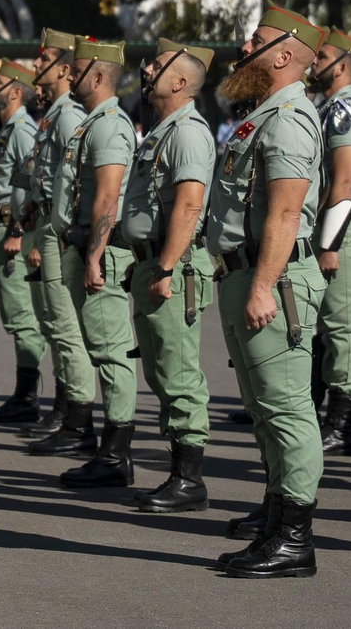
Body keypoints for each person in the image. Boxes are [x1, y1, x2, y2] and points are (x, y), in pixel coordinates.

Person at [207, 2, 326, 579]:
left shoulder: (289, 118)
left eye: (254, 40)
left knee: (287, 409)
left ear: (282, 55)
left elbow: (283, 216)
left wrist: (260, 286)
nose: (242, 49)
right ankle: (277, 516)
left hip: (272, 280)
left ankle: (295, 538)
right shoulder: (264, 114)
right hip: (246, 272)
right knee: (263, 411)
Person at [123, 40, 216, 513]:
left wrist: (164, 266)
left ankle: (189, 479)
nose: (146, 69)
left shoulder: (187, 131)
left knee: (178, 372)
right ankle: (180, 472)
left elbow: (190, 202)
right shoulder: (164, 130)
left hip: (171, 265)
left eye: (157, 67)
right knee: (162, 370)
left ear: (179, 82)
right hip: (154, 262)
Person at [49, 37, 139, 490]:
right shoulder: (91, 123)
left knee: (111, 352)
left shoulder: (109, 125)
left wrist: (96, 257)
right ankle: (110, 448)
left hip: (96, 251)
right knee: (99, 349)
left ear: (98, 76)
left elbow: (107, 197)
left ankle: (116, 453)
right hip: (81, 246)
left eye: (78, 69)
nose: (70, 75)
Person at [18, 29, 96, 453]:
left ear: (65, 69)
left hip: (56, 226)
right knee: (54, 323)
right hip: (45, 221)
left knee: (65, 327)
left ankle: (79, 420)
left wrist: (51, 232)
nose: (36, 65)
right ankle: (67, 409)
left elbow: (75, 184)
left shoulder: (68, 116)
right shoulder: (55, 113)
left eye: (44, 58)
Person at [309, 31, 351, 455]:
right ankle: (324, 412)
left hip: (344, 226)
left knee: (344, 324)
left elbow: (344, 181)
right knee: (328, 323)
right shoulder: (330, 108)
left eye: (321, 55)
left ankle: (342, 423)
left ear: (340, 66)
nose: (313, 60)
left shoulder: (344, 111)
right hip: (335, 222)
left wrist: (329, 242)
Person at [0, 60, 43, 425]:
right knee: (15, 316)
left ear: (16, 91)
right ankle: (24, 395)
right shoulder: (9, 130)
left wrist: (19, 231)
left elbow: (33, 185)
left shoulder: (21, 131)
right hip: (1, 228)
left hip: (11, 232)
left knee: (23, 318)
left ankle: (27, 397)